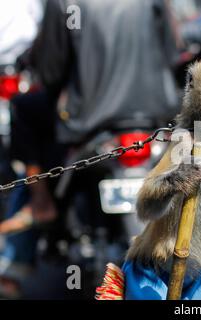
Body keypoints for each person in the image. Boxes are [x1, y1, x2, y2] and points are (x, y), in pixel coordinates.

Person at [0, 0, 181, 247]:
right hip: (156, 113)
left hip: (89, 118)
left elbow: (51, 71)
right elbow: (173, 53)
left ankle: (41, 203)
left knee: (23, 107)